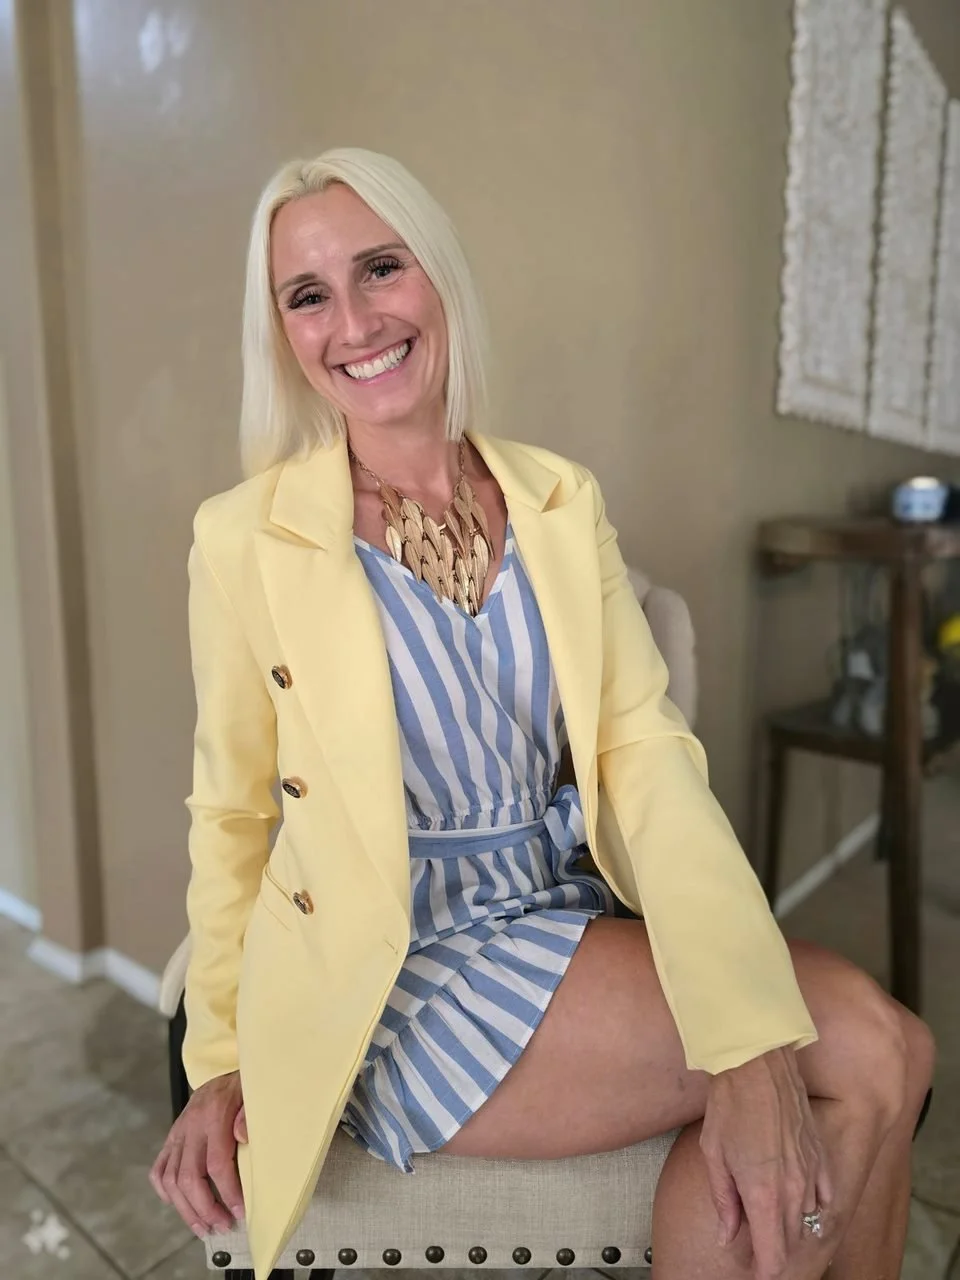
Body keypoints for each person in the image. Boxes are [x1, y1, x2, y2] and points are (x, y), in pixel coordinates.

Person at [149, 148, 934, 1280]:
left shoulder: (560, 500)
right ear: (281, 332)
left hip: (566, 913)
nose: (354, 322)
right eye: (308, 294)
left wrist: (751, 1041)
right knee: (865, 1048)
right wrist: (219, 1058)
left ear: (438, 274)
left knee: (899, 1045)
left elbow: (648, 756)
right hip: (405, 965)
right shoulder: (243, 539)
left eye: (381, 268)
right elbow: (230, 816)